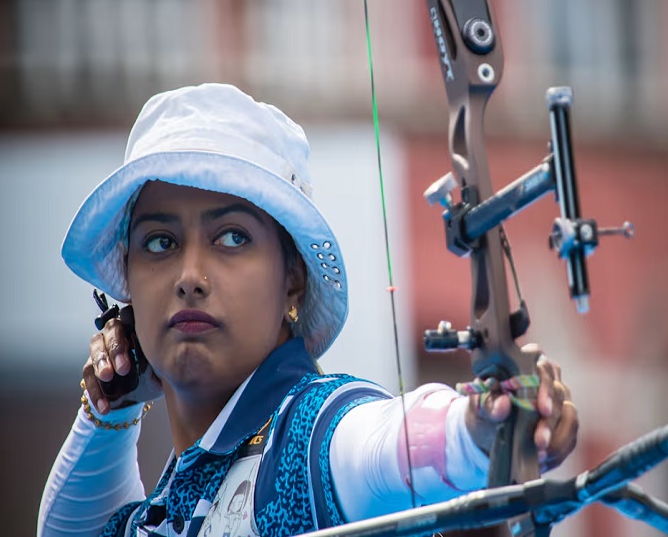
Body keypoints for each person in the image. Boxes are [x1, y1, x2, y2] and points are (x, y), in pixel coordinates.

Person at [37, 83, 578, 537]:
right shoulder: (175, 495)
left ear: (291, 280)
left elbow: (380, 446)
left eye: (231, 237)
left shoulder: (305, 433)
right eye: (160, 243)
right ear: (128, 288)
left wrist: (485, 423)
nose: (189, 278)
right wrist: (112, 405)